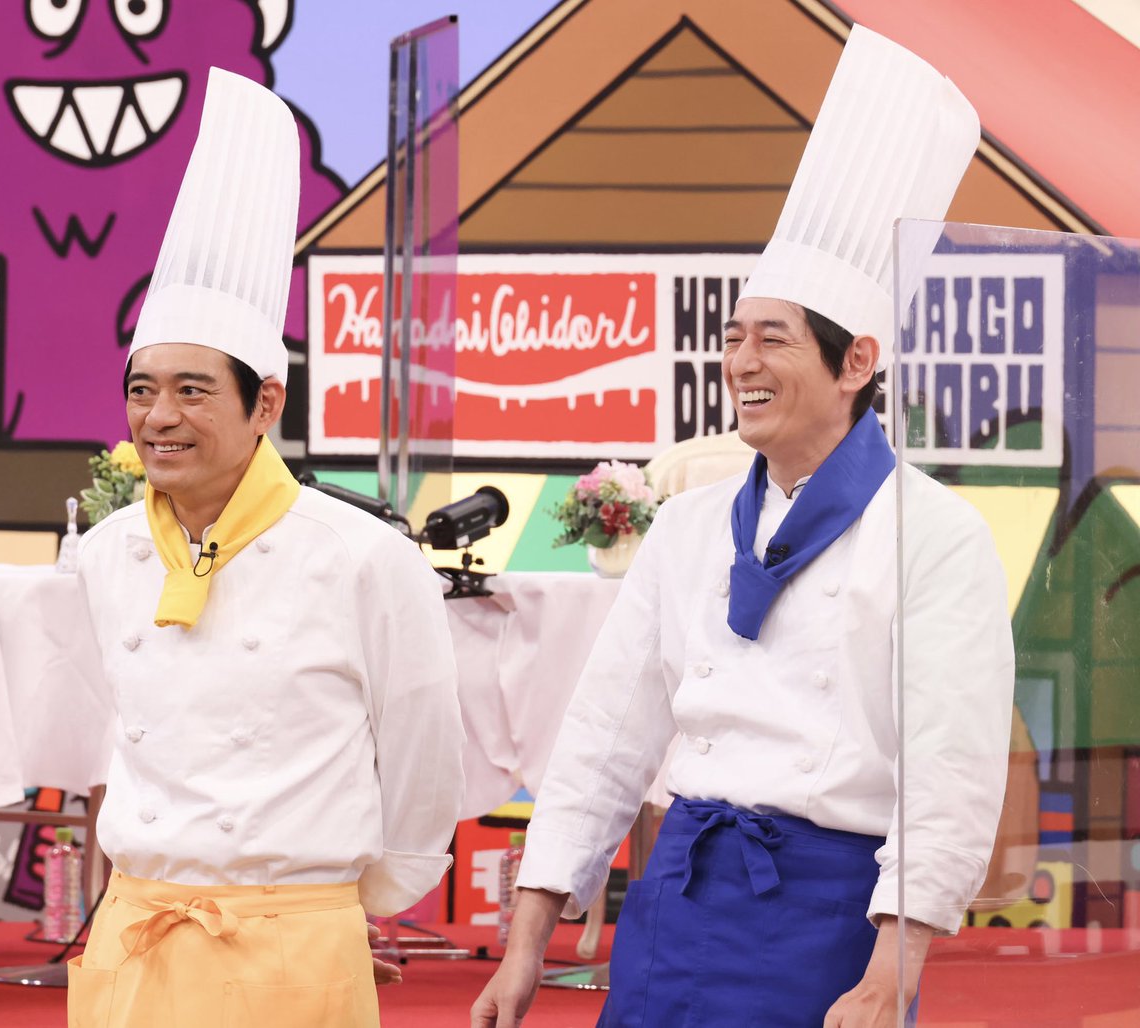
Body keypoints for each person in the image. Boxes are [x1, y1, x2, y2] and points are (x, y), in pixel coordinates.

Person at [472, 26, 1014, 1028]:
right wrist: (527, 938)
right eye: (732, 339)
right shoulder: (688, 527)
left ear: (856, 363)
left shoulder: (935, 534)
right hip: (679, 894)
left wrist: (892, 973)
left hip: (828, 914)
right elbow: (606, 732)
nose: (741, 363)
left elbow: (951, 768)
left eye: (772, 338)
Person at [70, 68, 465, 1028]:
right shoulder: (107, 551)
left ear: (266, 404)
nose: (159, 417)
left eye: (193, 391)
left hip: (291, 945)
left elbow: (423, 757)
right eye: (142, 390)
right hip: (134, 932)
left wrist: (343, 911)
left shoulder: (362, 555)